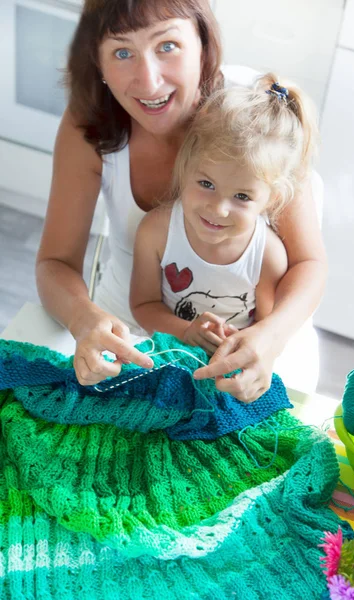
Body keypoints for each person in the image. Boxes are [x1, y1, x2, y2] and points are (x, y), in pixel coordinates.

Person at [36, 0, 327, 402]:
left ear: (203, 44)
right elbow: (55, 264)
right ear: (97, 64)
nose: (149, 81)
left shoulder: (257, 115)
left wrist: (269, 337)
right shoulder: (88, 123)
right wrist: (84, 320)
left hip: (263, 326)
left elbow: (308, 263)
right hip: (129, 320)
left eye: (167, 46)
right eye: (122, 52)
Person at [131, 75, 317, 394]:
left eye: (242, 197)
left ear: (270, 200)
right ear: (185, 168)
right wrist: (186, 331)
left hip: (229, 370)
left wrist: (235, 352)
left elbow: (265, 330)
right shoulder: (156, 231)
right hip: (166, 354)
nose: (218, 210)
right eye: (207, 185)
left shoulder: (268, 255)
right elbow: (143, 305)